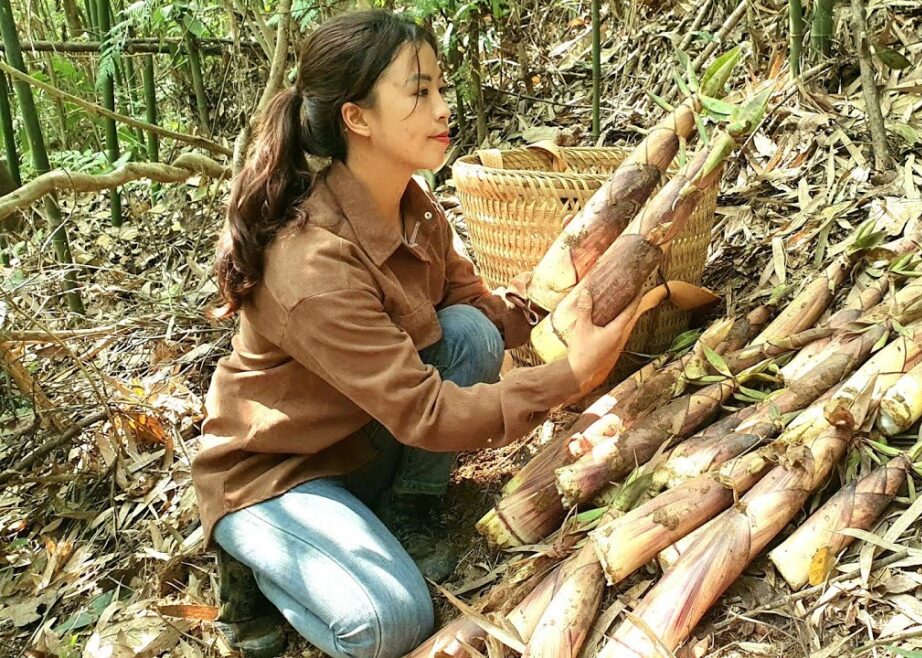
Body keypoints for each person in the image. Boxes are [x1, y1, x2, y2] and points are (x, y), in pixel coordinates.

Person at [192, 10, 637, 658]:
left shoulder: (412, 203)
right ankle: (256, 568)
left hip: (363, 440)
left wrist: (555, 316)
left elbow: (469, 303)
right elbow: (424, 410)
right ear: (358, 118)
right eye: (419, 91)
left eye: (440, 88)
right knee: (390, 624)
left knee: (470, 334)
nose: (441, 107)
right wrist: (570, 378)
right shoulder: (312, 263)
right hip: (276, 475)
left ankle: (406, 511)